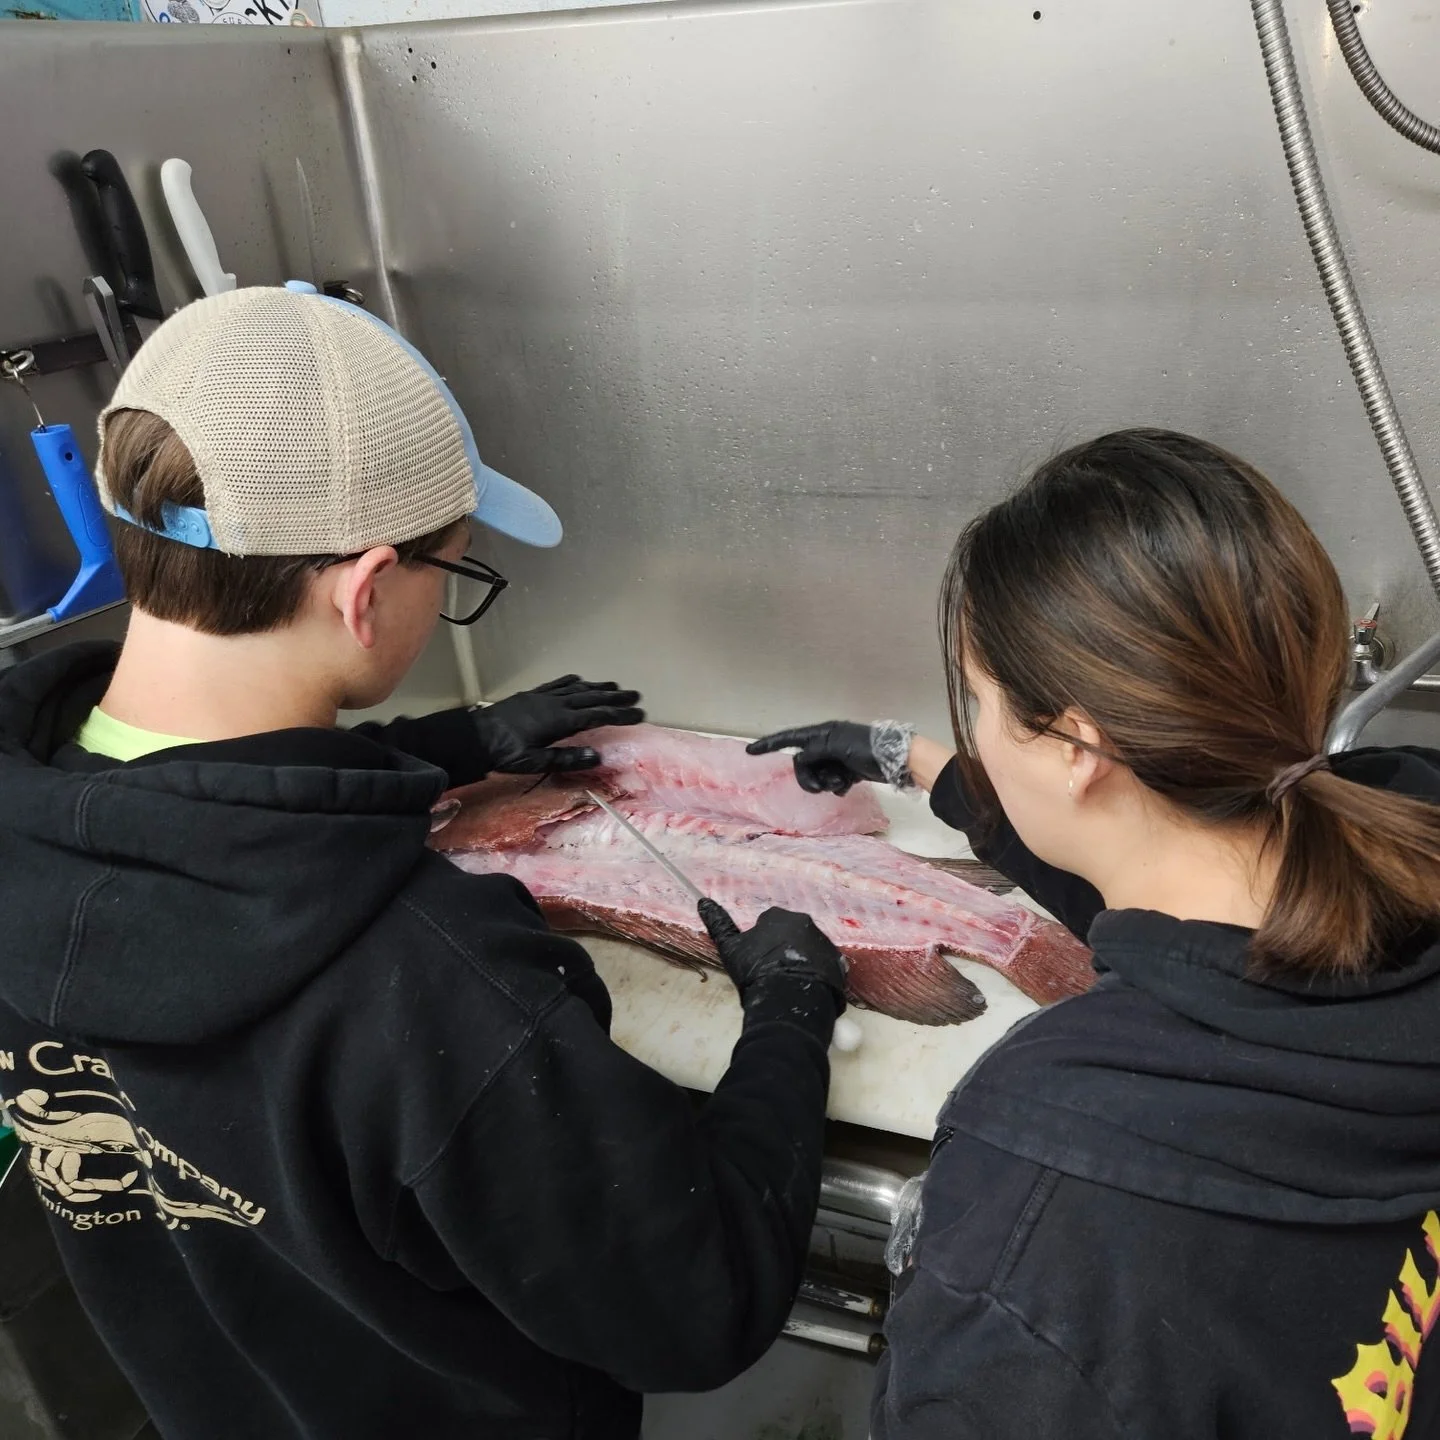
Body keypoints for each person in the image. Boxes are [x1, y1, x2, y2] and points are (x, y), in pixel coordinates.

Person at [0, 286, 848, 1440]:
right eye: (451, 574)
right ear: (363, 591)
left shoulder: (27, 818)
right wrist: (792, 1019)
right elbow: (701, 1301)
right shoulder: (432, 982)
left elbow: (183, 804)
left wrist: (450, 747)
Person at [751, 429, 1440, 1439]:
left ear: (1080, 747)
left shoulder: (1051, 1184)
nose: (975, 723)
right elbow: (1172, 885)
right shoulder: (1404, 830)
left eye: (978, 699)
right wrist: (925, 767)